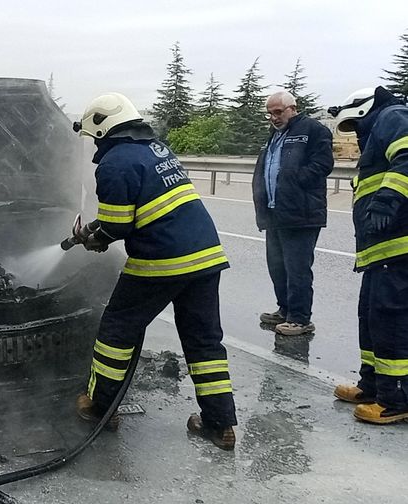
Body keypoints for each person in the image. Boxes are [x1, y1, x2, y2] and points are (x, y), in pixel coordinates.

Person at [70, 92, 237, 450]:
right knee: (204, 340)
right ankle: (219, 423)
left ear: (102, 130)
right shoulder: (157, 150)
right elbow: (136, 210)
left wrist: (93, 239)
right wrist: (101, 230)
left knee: (116, 332)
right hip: (206, 256)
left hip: (161, 260)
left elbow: (116, 227)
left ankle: (101, 406)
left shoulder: (114, 164)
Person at [329, 86, 408, 424]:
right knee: (372, 317)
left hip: (399, 247)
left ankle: (396, 398)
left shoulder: (392, 117)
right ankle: (373, 385)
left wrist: (387, 200)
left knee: (391, 321)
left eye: (355, 126)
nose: (356, 135)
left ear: (363, 110)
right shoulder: (379, 127)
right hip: (380, 251)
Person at [252, 91, 334, 336]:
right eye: (270, 113)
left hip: (301, 213)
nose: (274, 118)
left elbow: (323, 164)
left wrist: (296, 181)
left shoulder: (313, 130)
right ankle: (285, 309)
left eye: (278, 112)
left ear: (292, 108)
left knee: (297, 268)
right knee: (277, 267)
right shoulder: (274, 136)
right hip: (275, 213)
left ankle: (300, 319)